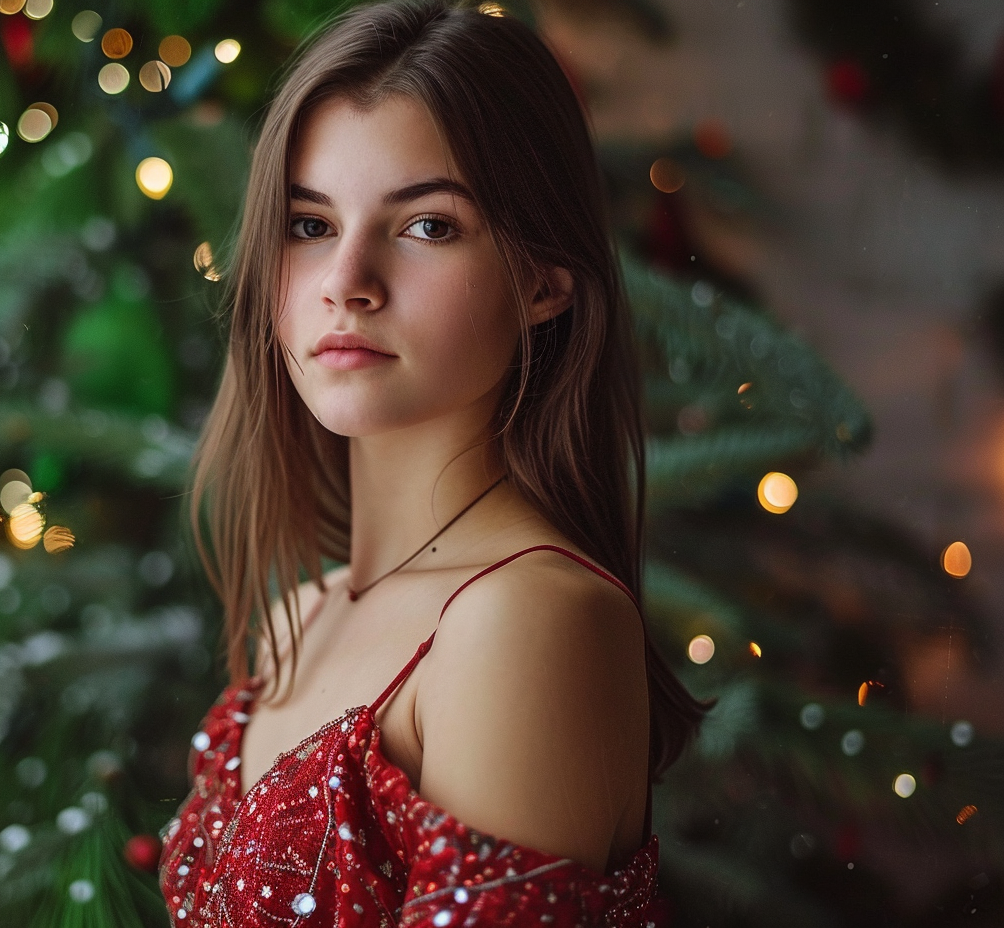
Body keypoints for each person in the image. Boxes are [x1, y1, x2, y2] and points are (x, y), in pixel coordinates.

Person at [159, 1, 706, 924]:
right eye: (309, 225)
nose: (347, 281)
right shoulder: (298, 615)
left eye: (428, 227)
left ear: (542, 280)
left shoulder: (525, 621)